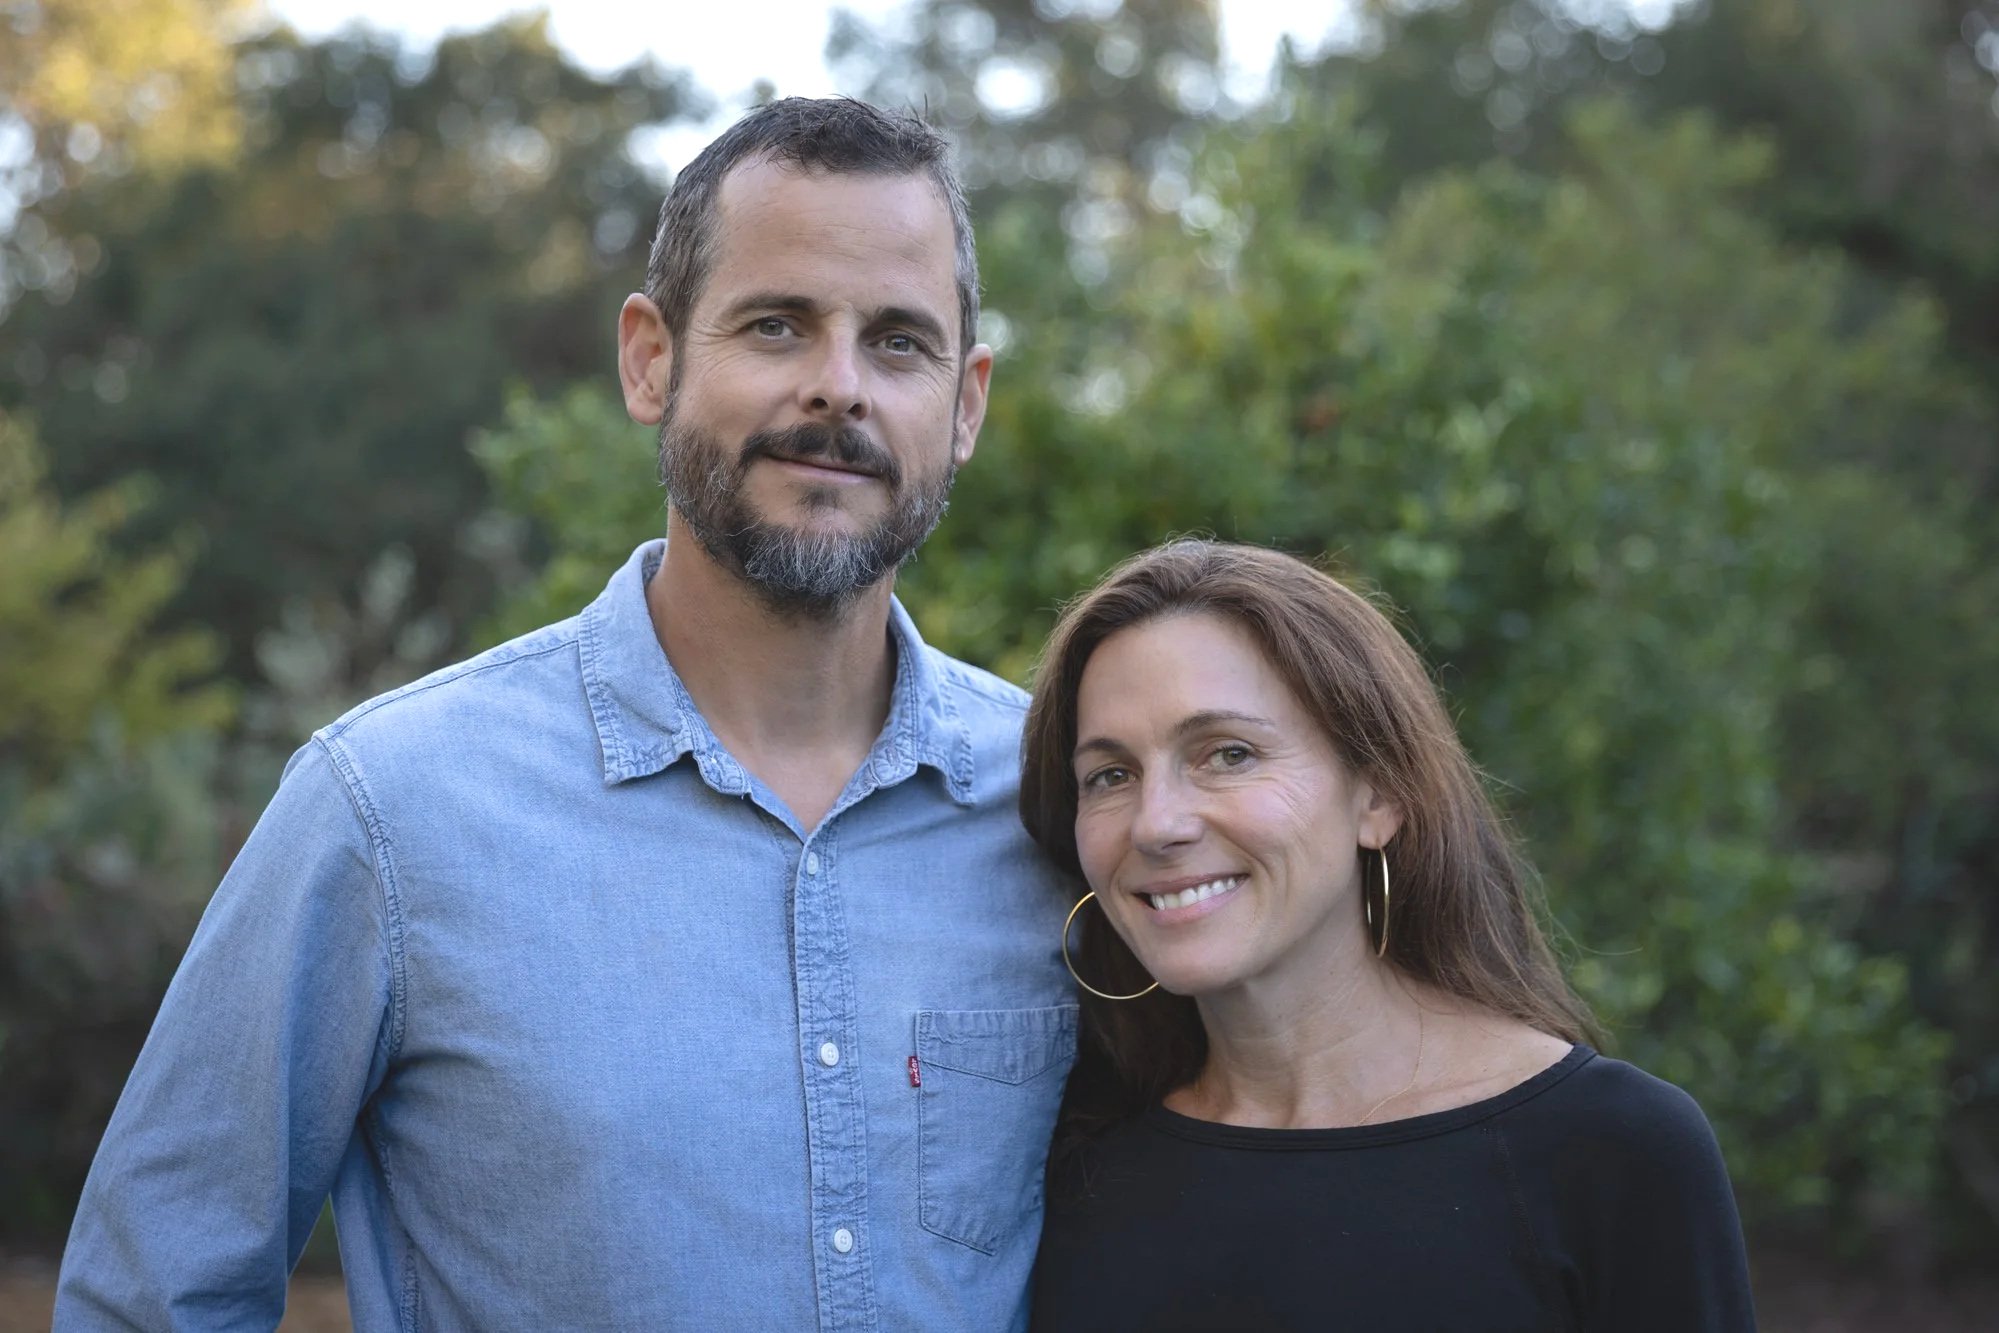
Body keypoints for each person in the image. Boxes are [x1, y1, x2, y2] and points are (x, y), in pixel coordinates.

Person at [56, 98, 1076, 1332]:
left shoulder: (1058, 808)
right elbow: (150, 1295)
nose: (838, 387)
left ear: (965, 406)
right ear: (650, 360)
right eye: (776, 324)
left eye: (899, 343)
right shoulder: (391, 810)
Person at [1019, 540, 1757, 1332]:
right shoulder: (1078, 1157)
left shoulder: (1612, 1149)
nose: (1156, 823)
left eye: (1228, 754)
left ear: (1379, 795)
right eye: (1110, 774)